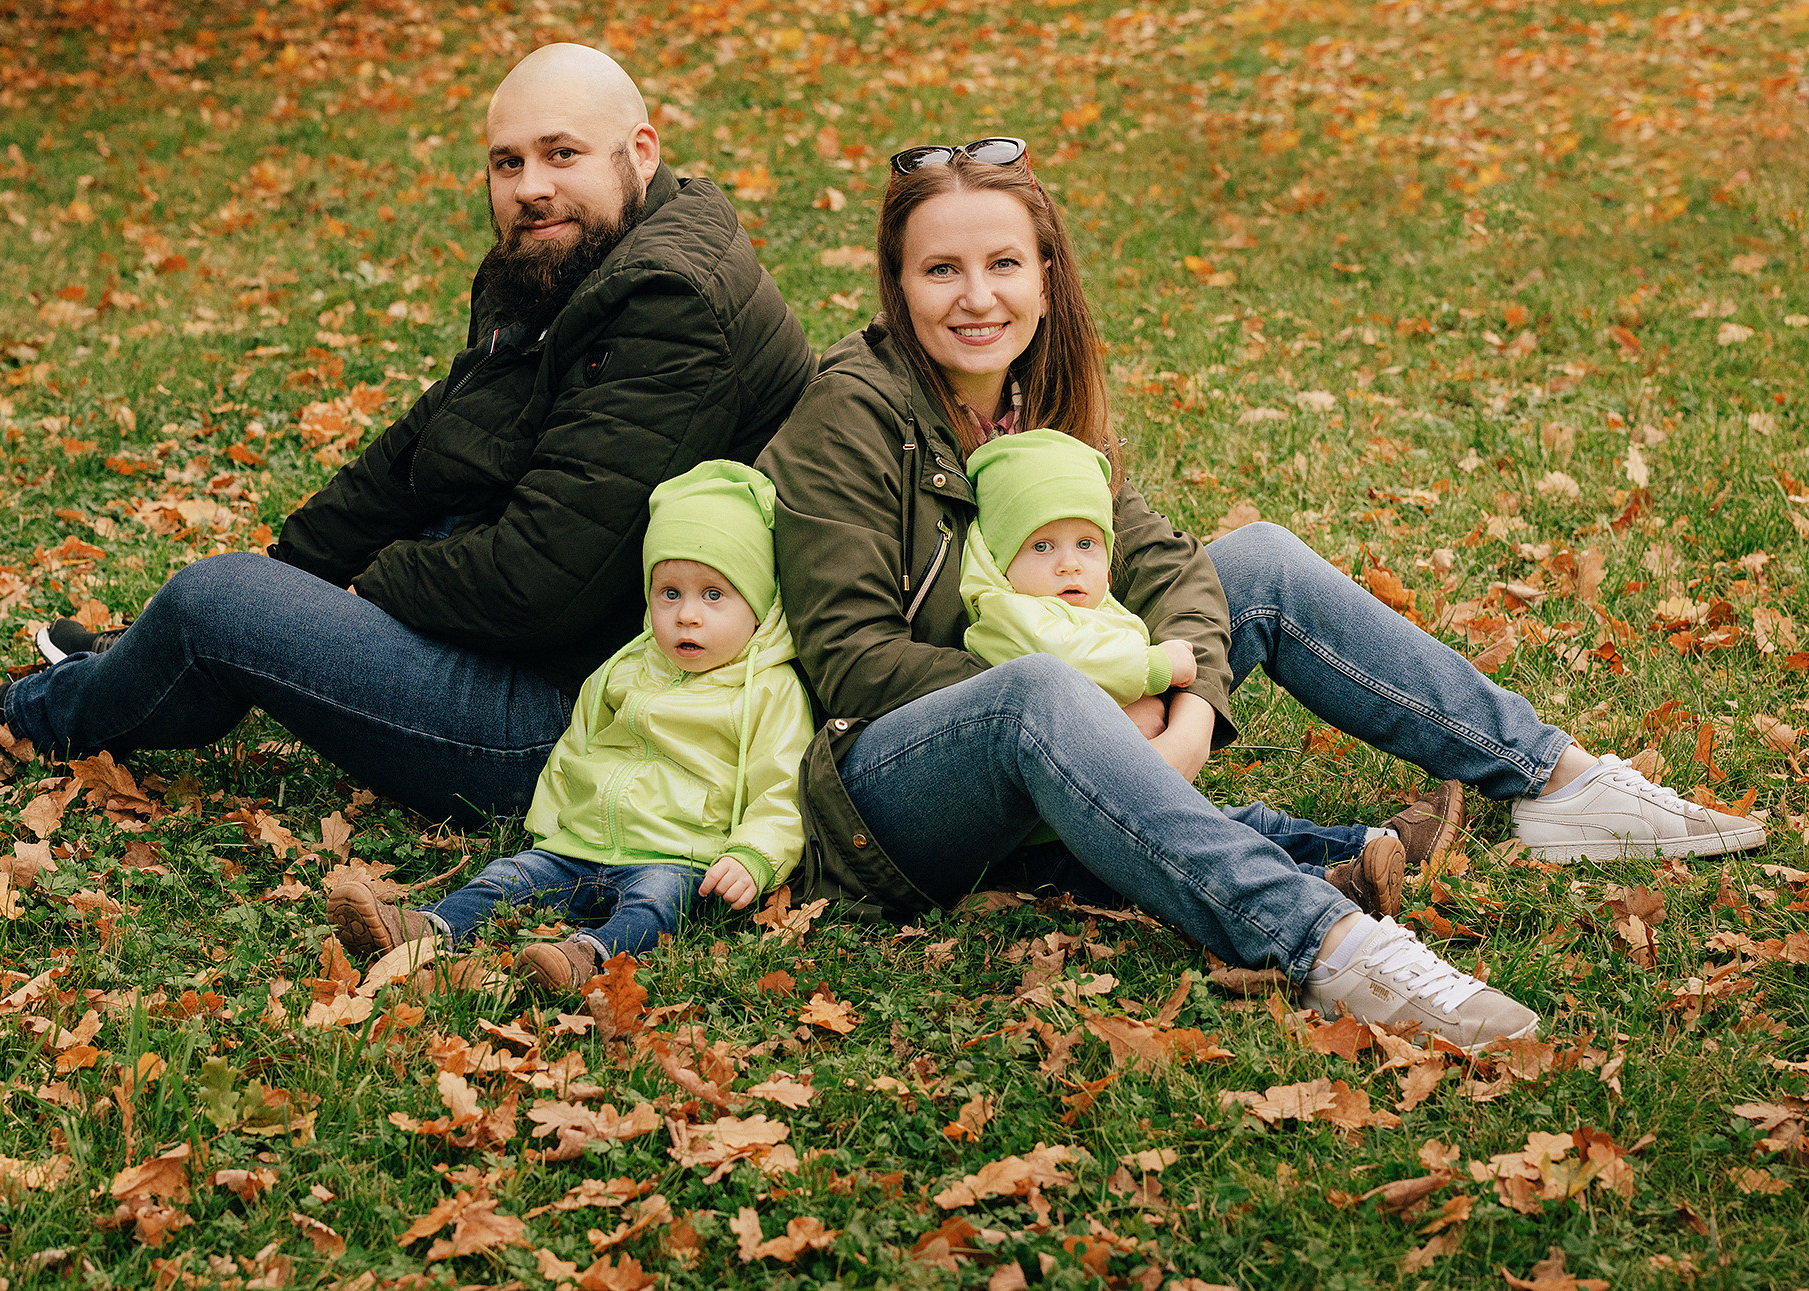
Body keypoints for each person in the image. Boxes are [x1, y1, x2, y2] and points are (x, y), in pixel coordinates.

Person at [758, 137, 1765, 1049]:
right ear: (897, 285)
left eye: (1003, 264)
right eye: (941, 269)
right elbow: (852, 662)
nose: (977, 296)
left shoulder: (1034, 400)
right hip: (888, 792)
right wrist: (1099, 692)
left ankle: (1555, 781)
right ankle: (1331, 945)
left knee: (1259, 560)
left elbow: (1166, 565)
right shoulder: (851, 415)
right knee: (1039, 691)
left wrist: (1193, 706)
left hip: (1071, 711)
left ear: (1046, 278)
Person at [0, 44, 815, 826]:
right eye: (507, 162)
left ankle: (24, 714)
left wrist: (357, 588)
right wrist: (296, 573)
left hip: (572, 721)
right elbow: (426, 442)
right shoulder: (579, 255)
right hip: (540, 643)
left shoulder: (669, 302)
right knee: (254, 594)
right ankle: (133, 666)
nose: (531, 188)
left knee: (214, 601)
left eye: (562, 154)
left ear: (639, 152)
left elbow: (543, 581)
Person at [325, 462, 814, 990]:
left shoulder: (769, 690)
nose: (687, 615)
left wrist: (752, 856)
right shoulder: (625, 668)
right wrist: (550, 829)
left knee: (657, 905)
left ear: (759, 605)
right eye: (670, 593)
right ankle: (427, 927)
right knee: (508, 877)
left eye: (713, 595)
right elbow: (574, 749)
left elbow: (783, 788)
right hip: (579, 846)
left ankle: (585, 957)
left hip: (681, 858)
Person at [959, 426, 1412, 916]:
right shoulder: (1010, 614)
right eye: (1042, 547)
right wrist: (1157, 667)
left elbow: (1167, 572)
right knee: (1173, 861)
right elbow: (1077, 660)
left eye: (1086, 544)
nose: (1069, 564)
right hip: (1052, 832)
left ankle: (1370, 842)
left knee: (1227, 825)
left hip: (1119, 794)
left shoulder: (1088, 602)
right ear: (1001, 562)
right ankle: (1332, 885)